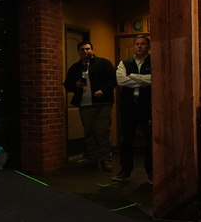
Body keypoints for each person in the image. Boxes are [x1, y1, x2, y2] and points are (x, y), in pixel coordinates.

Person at [64, 40, 117, 172]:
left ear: (92, 50)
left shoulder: (103, 63)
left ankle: (106, 160)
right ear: (79, 52)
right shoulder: (75, 68)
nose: (85, 52)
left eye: (88, 49)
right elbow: (67, 84)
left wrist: (103, 91)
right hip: (84, 104)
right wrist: (75, 85)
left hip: (103, 104)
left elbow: (113, 80)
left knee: (102, 131)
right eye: (82, 49)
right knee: (89, 132)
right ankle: (93, 160)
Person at [113, 35, 152, 183]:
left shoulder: (154, 62)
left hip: (147, 106)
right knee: (126, 139)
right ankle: (125, 170)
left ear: (148, 46)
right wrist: (144, 80)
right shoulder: (124, 63)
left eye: (143, 44)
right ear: (134, 46)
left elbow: (155, 79)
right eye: (137, 44)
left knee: (150, 139)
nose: (140, 46)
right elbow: (121, 80)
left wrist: (134, 77)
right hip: (129, 106)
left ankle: (151, 170)